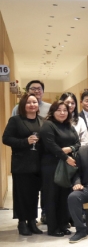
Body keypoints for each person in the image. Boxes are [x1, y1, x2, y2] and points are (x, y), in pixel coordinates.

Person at [2, 94, 44, 236]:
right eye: (28, 102)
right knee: (21, 195)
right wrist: (24, 142)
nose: (32, 105)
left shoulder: (42, 121)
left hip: (38, 164)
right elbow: (6, 139)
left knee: (34, 195)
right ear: (23, 105)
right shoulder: (16, 120)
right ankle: (21, 222)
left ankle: (32, 221)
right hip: (22, 163)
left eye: (34, 102)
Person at [40, 101, 80, 237]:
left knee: (64, 196)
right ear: (52, 111)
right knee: (52, 197)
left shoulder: (69, 126)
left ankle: (63, 224)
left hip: (66, 168)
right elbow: (51, 145)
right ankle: (53, 228)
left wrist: (71, 149)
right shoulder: (48, 125)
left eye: (65, 110)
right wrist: (66, 157)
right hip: (51, 166)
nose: (62, 113)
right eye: (59, 110)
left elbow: (78, 143)